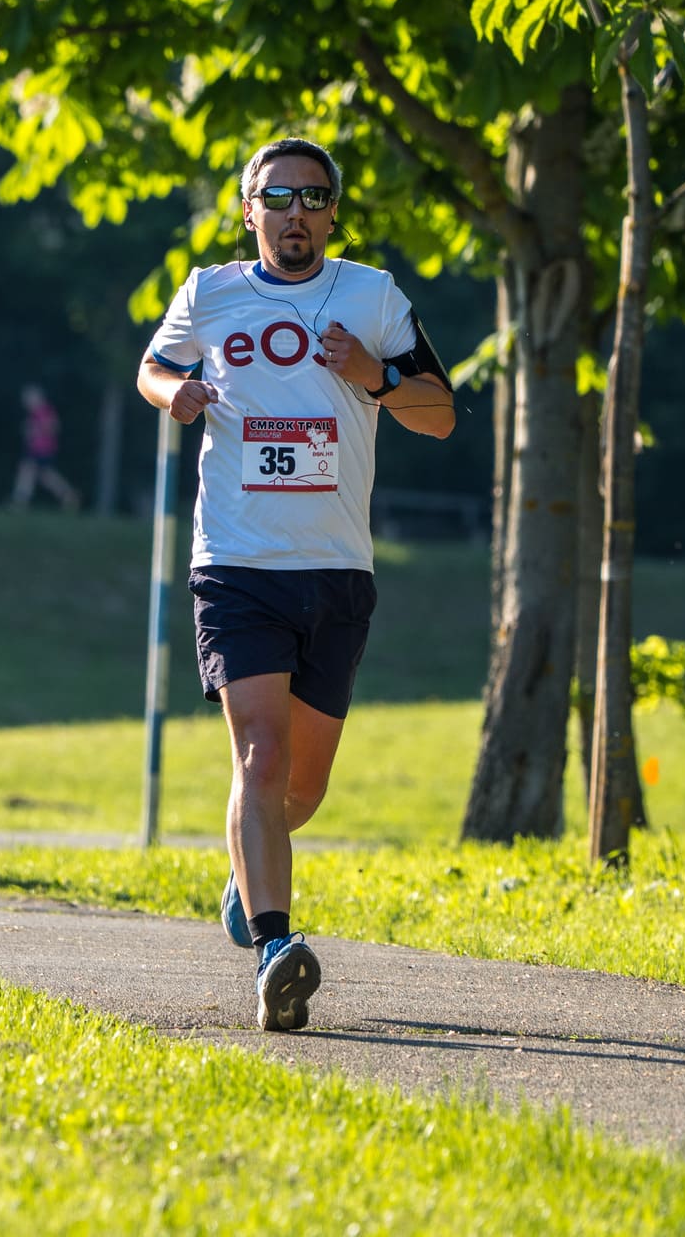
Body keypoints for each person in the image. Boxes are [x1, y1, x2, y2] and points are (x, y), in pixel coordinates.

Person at [136, 137, 454, 1032]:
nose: (295, 212)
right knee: (259, 759)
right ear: (250, 210)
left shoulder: (372, 295)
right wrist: (177, 396)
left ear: (332, 213)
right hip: (236, 564)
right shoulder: (210, 292)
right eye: (277, 196)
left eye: (313, 197)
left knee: (299, 792)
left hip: (337, 569)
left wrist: (375, 376)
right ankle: (278, 949)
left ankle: (249, 875)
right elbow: (152, 366)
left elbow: (440, 415)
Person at [9, 383, 81, 511]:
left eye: (29, 398)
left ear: (38, 398)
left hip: (42, 449)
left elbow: (54, 427)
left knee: (27, 471)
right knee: (45, 477)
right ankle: (69, 495)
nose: (26, 402)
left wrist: (34, 430)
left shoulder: (44, 411)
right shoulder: (36, 413)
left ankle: (19, 502)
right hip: (38, 449)